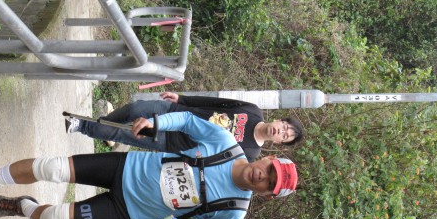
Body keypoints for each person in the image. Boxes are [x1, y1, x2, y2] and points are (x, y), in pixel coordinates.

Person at [0, 111, 298, 219]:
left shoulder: (235, 209)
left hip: (129, 211)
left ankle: (23, 206)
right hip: (126, 167)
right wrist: (156, 122)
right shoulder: (226, 144)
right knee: (53, 168)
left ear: (266, 194)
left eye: (269, 183)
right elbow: (187, 120)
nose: (263, 176)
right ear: (267, 158)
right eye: (269, 169)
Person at [65, 92, 304, 161]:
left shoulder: (250, 153)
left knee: (127, 132)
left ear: (279, 143)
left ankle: (81, 125)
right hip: (178, 112)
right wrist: (183, 99)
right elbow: (215, 103)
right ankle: (101, 125)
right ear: (279, 120)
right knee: (134, 109)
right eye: (284, 126)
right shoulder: (252, 110)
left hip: (175, 140)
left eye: (285, 136)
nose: (281, 131)